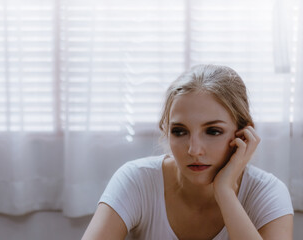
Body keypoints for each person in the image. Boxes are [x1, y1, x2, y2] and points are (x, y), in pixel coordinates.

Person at [82, 64, 294, 240]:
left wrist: (225, 192)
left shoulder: (268, 193)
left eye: (213, 131)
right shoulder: (137, 180)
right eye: (180, 131)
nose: (194, 150)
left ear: (243, 135)